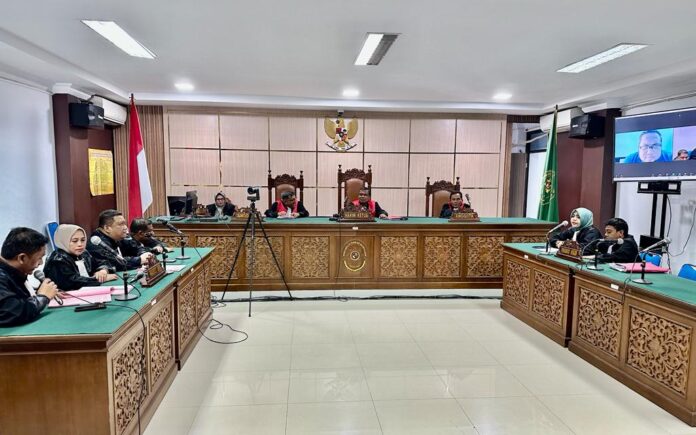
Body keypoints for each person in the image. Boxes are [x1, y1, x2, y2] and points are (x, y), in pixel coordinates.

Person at [0, 227, 59, 326]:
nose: (41, 263)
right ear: (22, 258)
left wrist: (45, 292)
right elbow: (11, 312)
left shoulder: (14, 273)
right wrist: (43, 297)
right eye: (39, 258)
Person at [43, 225, 118, 291]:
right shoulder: (57, 259)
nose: (80, 244)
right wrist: (99, 279)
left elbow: (101, 262)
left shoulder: (84, 253)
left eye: (83, 240)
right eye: (74, 241)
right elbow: (73, 282)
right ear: (63, 241)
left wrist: (103, 271)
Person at [87, 209, 152, 271]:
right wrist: (139, 260)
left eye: (125, 224)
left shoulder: (117, 237)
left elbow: (136, 246)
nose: (125, 227)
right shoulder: (97, 243)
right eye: (121, 224)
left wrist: (144, 253)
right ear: (107, 228)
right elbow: (114, 263)